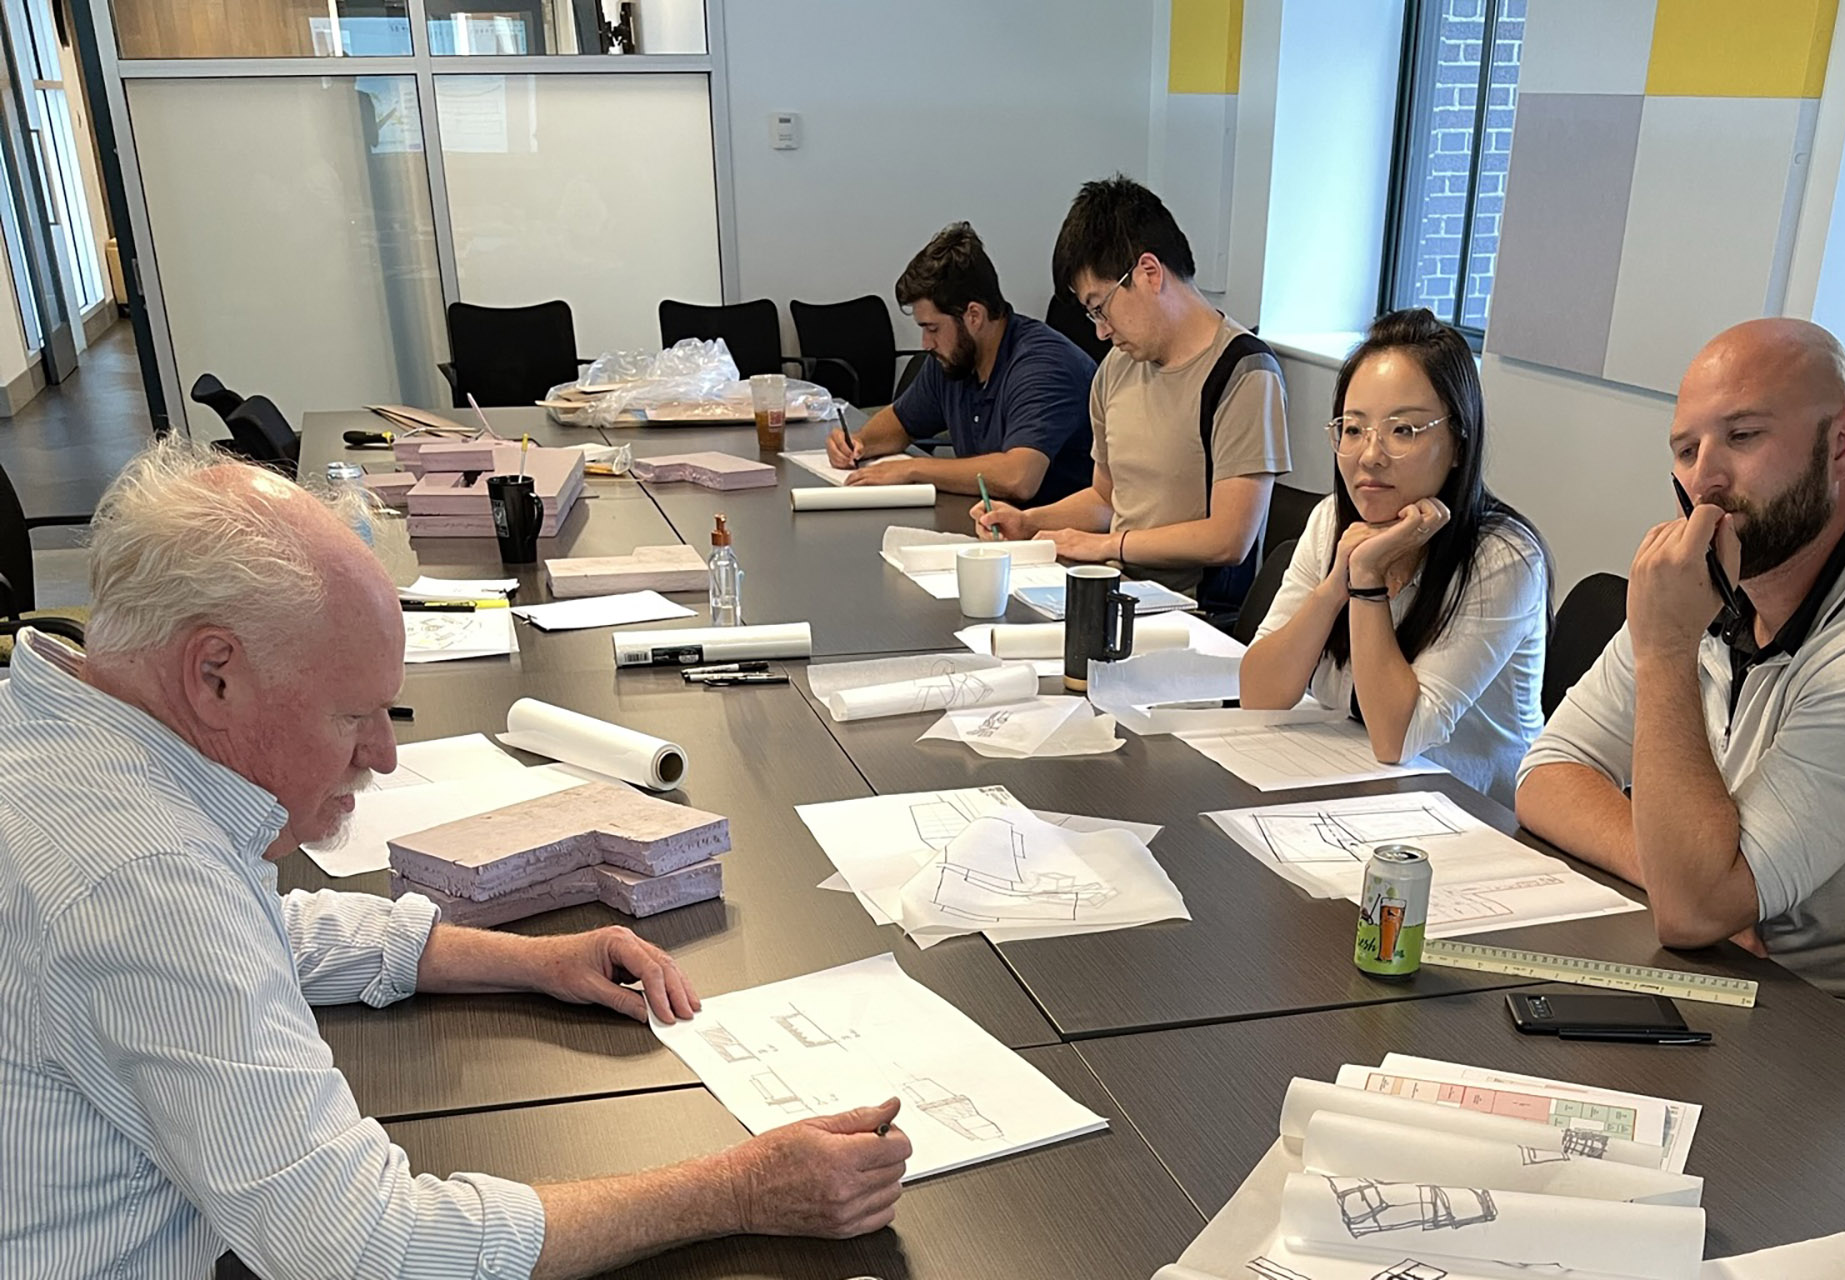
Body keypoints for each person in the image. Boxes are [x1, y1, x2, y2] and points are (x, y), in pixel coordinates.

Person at [0, 443, 911, 1279]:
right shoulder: (139, 878)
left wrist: (530, 958)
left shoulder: (63, 731)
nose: (382, 755)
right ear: (215, 673)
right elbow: (369, 1248)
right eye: (352, 715)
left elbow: (256, 928)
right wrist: (739, 1190)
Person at [1515, 318, 1845, 1019]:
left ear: (1844, 444)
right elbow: (1547, 773)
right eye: (1685, 448)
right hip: (1718, 973)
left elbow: (1693, 910)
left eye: (1743, 436)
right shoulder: (1719, 571)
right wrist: (1677, 870)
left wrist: (1667, 649)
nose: (1705, 479)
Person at [1239, 309, 1550, 805]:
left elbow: (1396, 739)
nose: (1369, 455)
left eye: (1402, 430)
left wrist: (1365, 579)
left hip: (1470, 816)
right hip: (1348, 787)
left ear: (1457, 445)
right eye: (1354, 429)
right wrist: (1336, 583)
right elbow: (1258, 696)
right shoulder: (1330, 522)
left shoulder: (1503, 558)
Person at [969, 176, 1288, 617]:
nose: (1100, 330)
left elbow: (1230, 538)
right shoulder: (1116, 369)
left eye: (1100, 307)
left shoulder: (1243, 371)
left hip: (1192, 615)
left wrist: (1106, 545)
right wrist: (1030, 521)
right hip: (1114, 590)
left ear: (1149, 273)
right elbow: (1106, 499)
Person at [826, 221, 1096, 506]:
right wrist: (858, 443)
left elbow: (1019, 477)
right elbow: (902, 422)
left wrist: (914, 469)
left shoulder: (1043, 366)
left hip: (1054, 540)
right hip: (990, 527)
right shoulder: (956, 359)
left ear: (974, 316)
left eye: (932, 328)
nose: (925, 343)